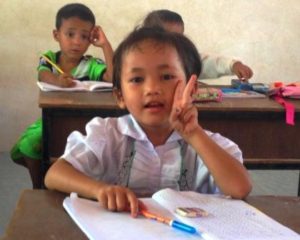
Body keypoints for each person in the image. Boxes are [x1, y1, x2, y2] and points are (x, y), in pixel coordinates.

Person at [45, 27, 252, 217]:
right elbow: (55, 174)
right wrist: (99, 189)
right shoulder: (107, 134)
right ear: (120, 96)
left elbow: (240, 188)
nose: (152, 88)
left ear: (193, 88)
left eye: (167, 76)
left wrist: (194, 134)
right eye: (137, 79)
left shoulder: (207, 143)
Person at [10, 3, 113, 189]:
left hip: (86, 122)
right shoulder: (49, 58)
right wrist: (57, 80)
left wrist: (105, 45)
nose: (77, 42)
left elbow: (113, 78)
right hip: (53, 119)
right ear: (56, 35)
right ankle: (38, 185)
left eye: (84, 36)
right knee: (31, 143)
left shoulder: (92, 64)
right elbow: (43, 74)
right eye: (70, 34)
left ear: (91, 39)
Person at [142, 9, 253, 80]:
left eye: (179, 38)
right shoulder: (137, 62)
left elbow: (207, 63)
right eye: (166, 38)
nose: (175, 43)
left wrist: (233, 65)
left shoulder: (184, 59)